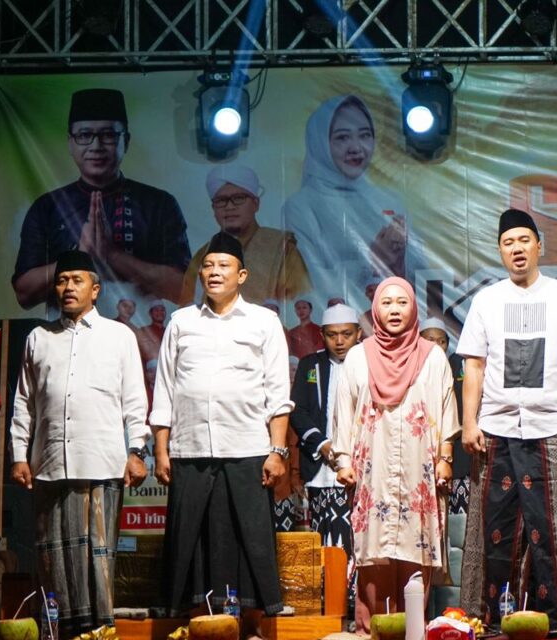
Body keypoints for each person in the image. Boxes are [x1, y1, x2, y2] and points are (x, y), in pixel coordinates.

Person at [457, 209, 557, 634]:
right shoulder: (487, 300)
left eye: (524, 240)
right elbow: (474, 367)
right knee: (493, 532)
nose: (517, 249)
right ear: (500, 251)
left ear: (539, 245)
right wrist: (469, 422)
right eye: (508, 243)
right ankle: (488, 622)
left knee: (553, 532)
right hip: (495, 430)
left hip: (552, 429)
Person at [150, 232, 292, 624]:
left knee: (251, 538)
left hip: (247, 448)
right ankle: (192, 623)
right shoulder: (181, 322)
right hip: (190, 448)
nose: (214, 272)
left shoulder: (264, 322)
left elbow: (278, 393)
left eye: (223, 265)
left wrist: (277, 451)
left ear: (241, 275)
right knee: (188, 538)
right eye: (208, 265)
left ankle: (252, 625)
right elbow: (165, 389)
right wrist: (161, 450)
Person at [9, 250, 150, 635]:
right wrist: (19, 455)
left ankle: (99, 632)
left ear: (95, 289)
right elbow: (24, 402)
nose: (68, 287)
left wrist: (136, 451)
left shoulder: (119, 336)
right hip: (49, 465)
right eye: (61, 281)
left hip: (101, 464)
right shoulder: (39, 338)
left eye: (76, 280)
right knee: (51, 562)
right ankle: (59, 633)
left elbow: (135, 400)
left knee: (97, 562)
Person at [331, 277, 459, 634]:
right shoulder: (358, 356)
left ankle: (414, 628)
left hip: (419, 469)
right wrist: (343, 461)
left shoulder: (432, 357)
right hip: (372, 467)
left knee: (416, 546)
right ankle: (372, 628)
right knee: (374, 548)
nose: (394, 310)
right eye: (386, 303)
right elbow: (344, 411)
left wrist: (446, 457)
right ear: (375, 310)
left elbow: (447, 409)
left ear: (413, 308)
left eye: (402, 303)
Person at [12, 88, 191, 309]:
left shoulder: (159, 204)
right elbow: (24, 294)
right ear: (70, 143)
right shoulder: (47, 207)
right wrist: (79, 256)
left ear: (126, 141)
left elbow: (182, 289)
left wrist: (113, 255)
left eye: (108, 135)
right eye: (84, 135)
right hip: (69, 329)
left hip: (142, 330)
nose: (96, 146)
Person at [283, 95, 422, 307]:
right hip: (332, 322)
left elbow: (420, 275)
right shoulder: (301, 206)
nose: (356, 147)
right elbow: (311, 279)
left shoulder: (390, 201)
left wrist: (398, 261)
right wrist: (374, 261)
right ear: (320, 142)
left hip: (392, 318)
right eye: (342, 138)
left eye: (365, 135)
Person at [180, 165, 311, 306]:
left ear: (256, 204)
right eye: (221, 200)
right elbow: (186, 308)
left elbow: (297, 303)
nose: (229, 207)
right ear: (214, 209)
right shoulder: (203, 256)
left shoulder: (281, 248)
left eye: (239, 198)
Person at [290, 303, 362, 553]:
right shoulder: (310, 364)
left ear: (359, 333)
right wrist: (321, 444)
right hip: (320, 467)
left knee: (357, 538)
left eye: (346, 334)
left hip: (359, 465)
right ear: (322, 335)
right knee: (325, 541)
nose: (339, 342)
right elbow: (298, 411)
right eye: (332, 335)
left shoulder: (369, 364)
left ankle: (355, 581)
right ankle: (330, 581)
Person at [137, 299, 167, 364]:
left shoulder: (169, 331)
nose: (160, 313)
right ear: (150, 314)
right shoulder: (144, 331)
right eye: (156, 310)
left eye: (162, 310)